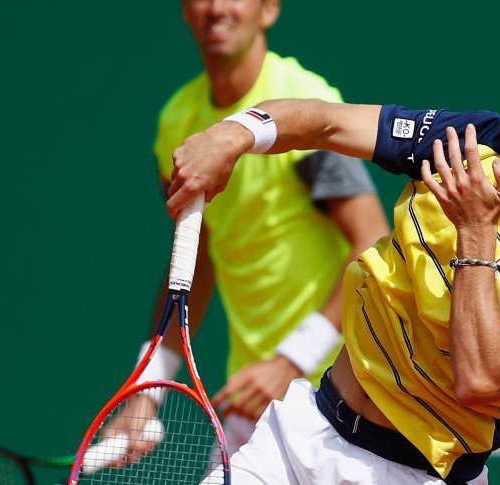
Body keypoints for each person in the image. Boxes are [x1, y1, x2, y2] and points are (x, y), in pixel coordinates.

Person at [166, 35, 500, 484]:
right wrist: (234, 133)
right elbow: (330, 122)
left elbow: (483, 378)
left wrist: (476, 233)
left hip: (413, 474)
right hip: (304, 429)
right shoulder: (474, 140)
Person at [103, 0, 389, 460]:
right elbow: (196, 260)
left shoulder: (303, 104)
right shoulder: (177, 122)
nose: (217, 7)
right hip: (255, 399)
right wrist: (147, 389)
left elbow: (372, 241)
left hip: (343, 396)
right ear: (185, 10)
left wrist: (292, 359)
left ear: (269, 9)